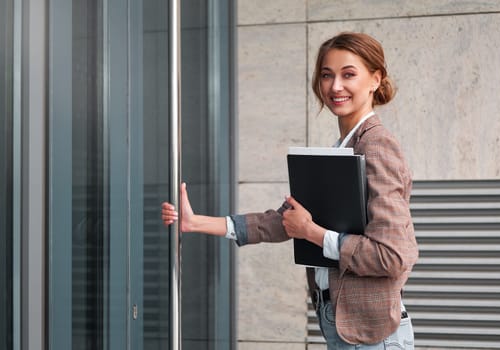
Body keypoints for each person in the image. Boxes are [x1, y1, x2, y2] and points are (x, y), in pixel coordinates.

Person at [162, 32, 419, 350]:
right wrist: (196, 222)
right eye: (327, 75)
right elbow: (280, 222)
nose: (335, 86)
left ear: (375, 80)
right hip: (342, 325)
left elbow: (392, 256)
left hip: (373, 335)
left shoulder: (377, 145)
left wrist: (313, 233)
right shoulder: (344, 149)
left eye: (348, 74)